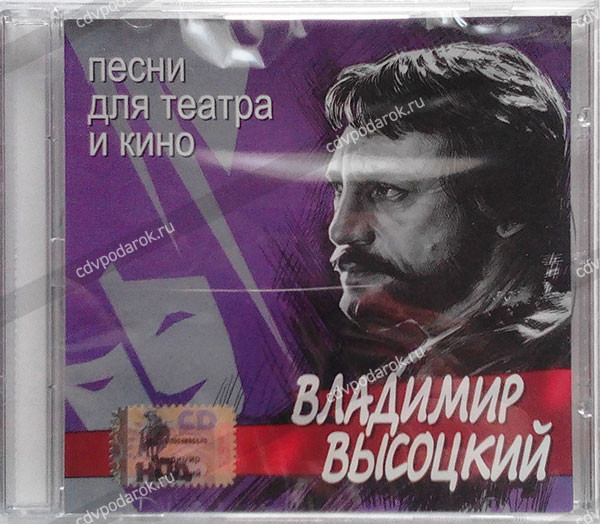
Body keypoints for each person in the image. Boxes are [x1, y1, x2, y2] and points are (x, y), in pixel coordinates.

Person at [324, 42, 571, 375]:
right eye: (339, 189)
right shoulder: (441, 371)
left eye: (388, 190)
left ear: (510, 201)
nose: (340, 229)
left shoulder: (556, 363)